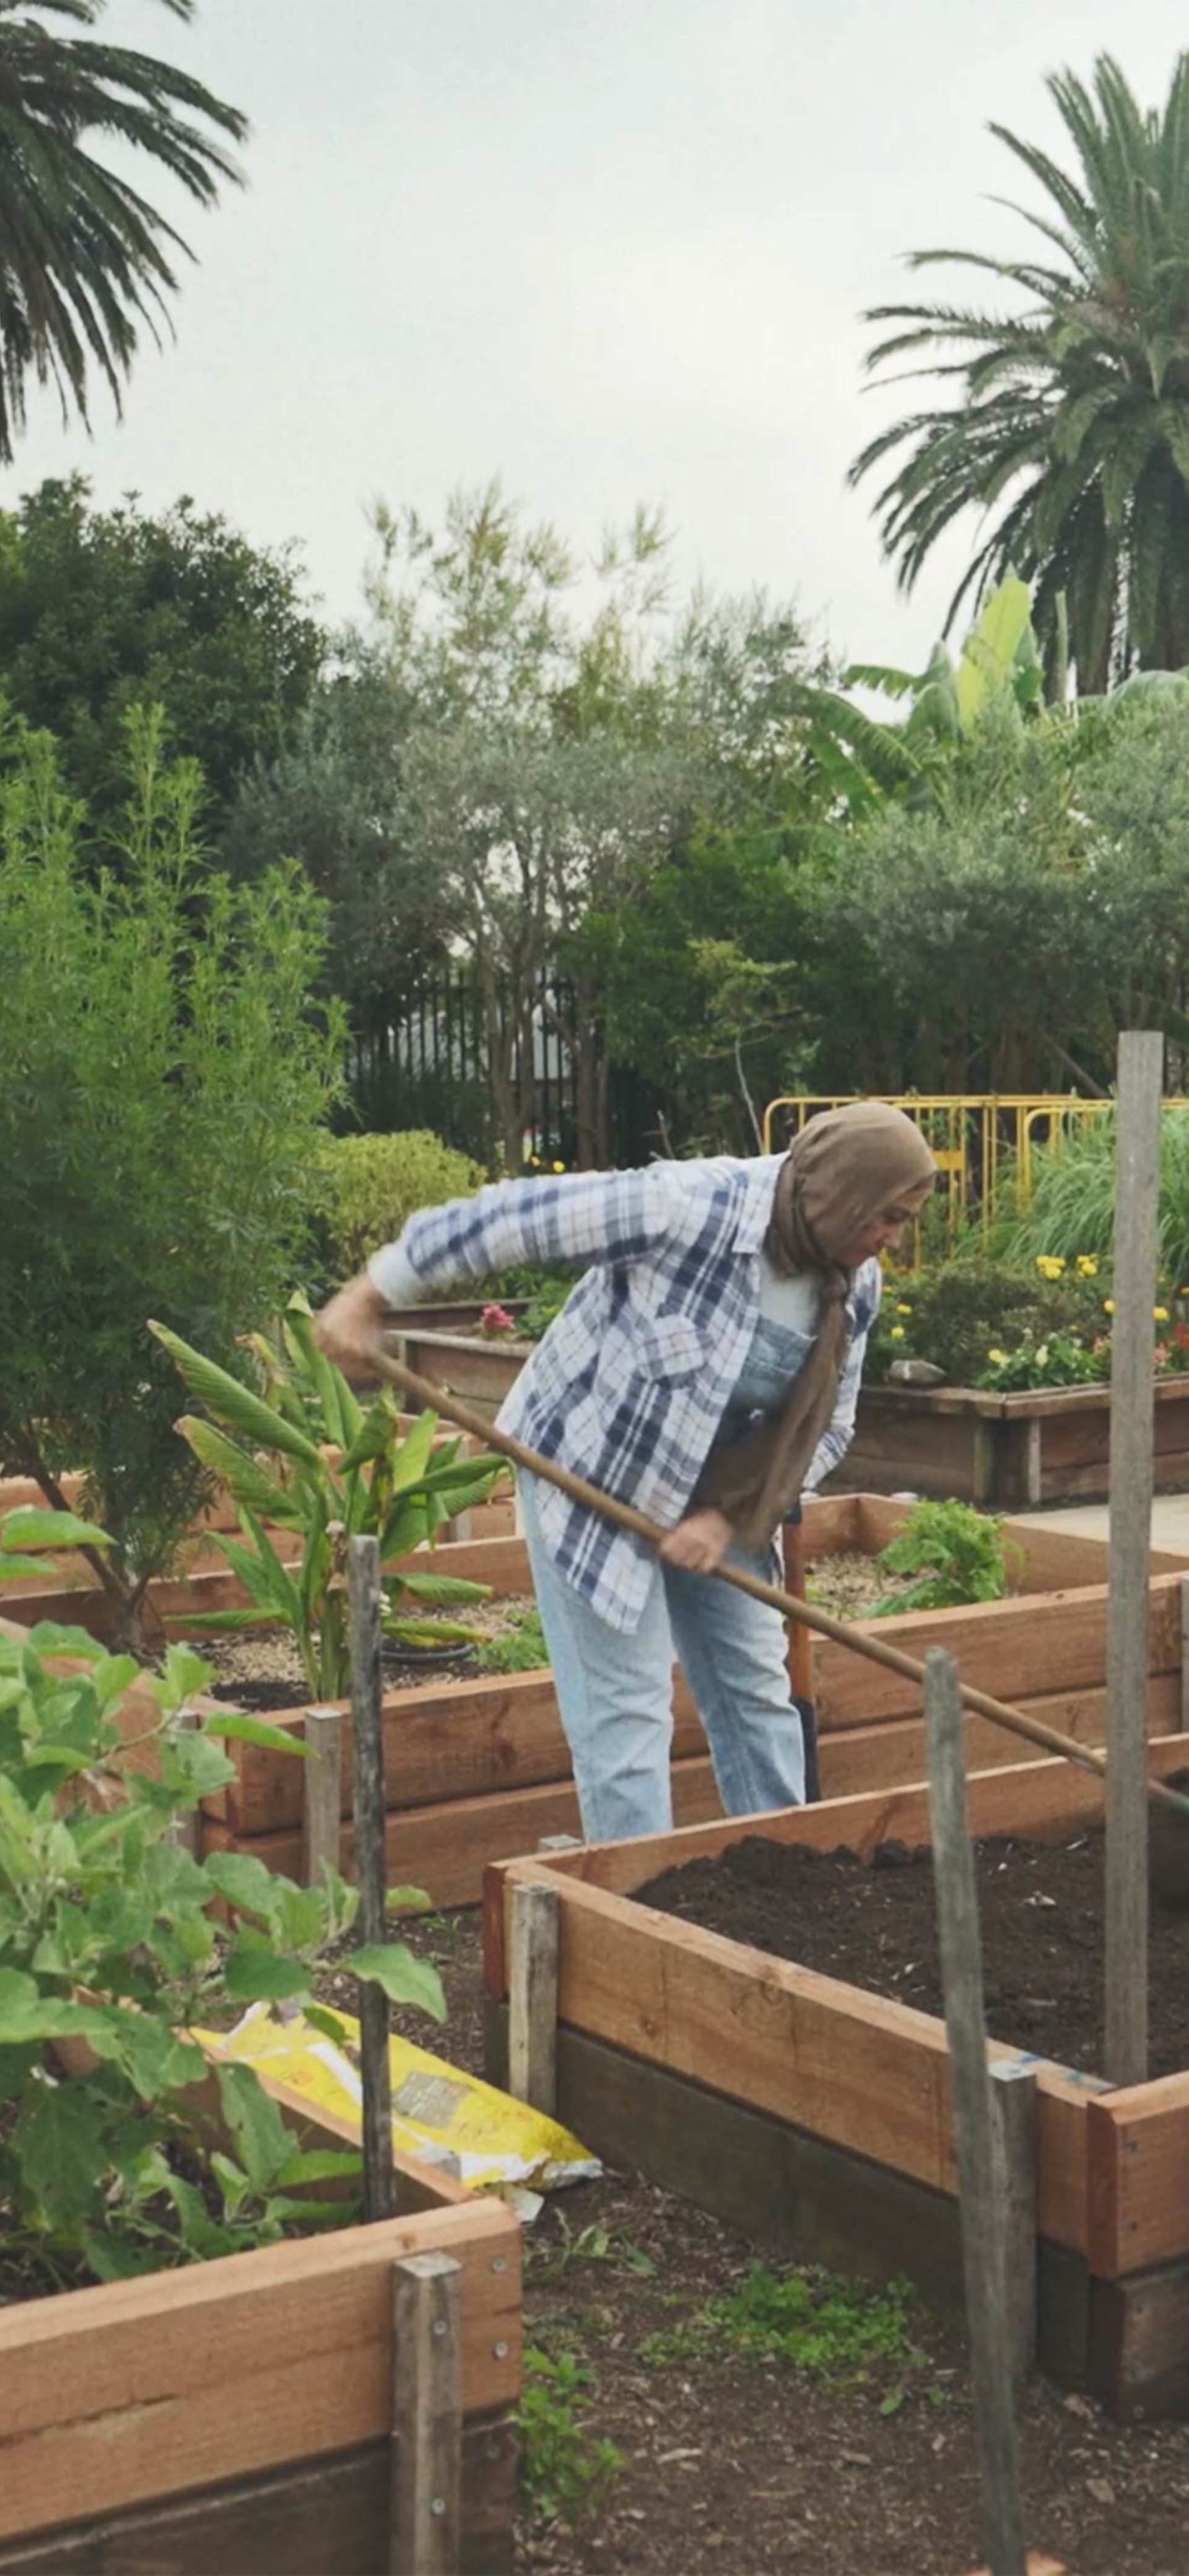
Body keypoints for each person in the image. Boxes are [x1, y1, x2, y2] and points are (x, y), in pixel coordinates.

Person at [316, 1104, 936, 1844]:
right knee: (629, 1708)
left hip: (728, 1497)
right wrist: (372, 1292)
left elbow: (828, 1429)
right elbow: (517, 1218)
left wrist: (727, 1518)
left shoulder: (851, 1286)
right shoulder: (684, 1209)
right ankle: (638, 1906)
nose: (892, 1238)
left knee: (758, 1694)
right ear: (840, 1195)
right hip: (592, 1473)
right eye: (889, 1216)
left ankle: (787, 1873)